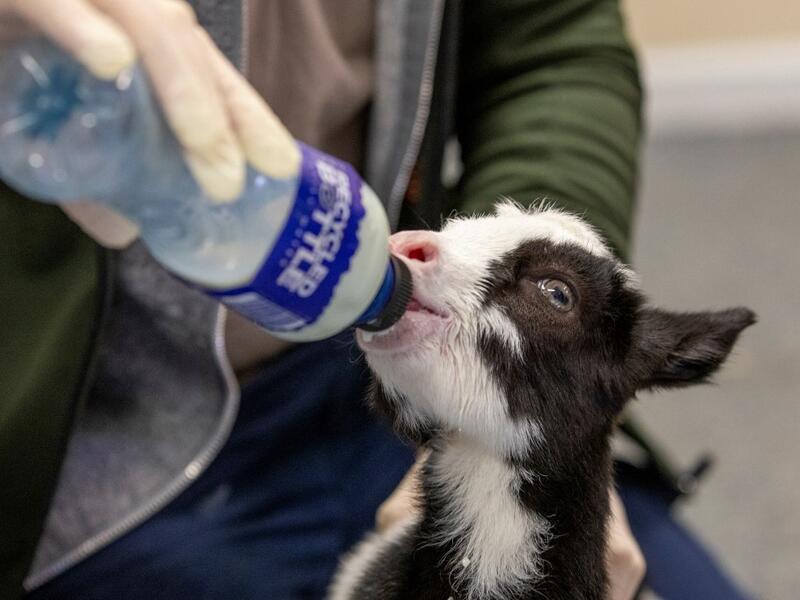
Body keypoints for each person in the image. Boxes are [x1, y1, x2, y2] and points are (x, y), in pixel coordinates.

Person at [0, 1, 752, 599]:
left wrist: (543, 410)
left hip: (400, 372)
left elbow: (554, 48)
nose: (417, 242)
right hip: (100, 442)